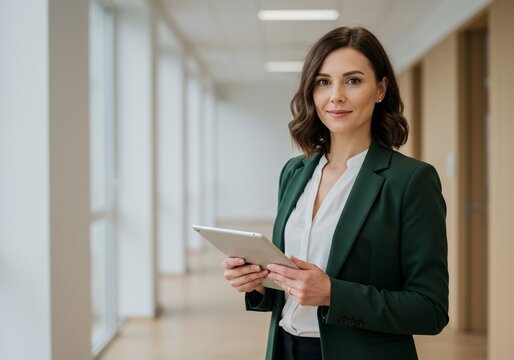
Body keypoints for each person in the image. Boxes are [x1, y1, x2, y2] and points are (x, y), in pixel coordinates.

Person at [222, 26, 449, 360]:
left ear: (381, 88)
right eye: (323, 82)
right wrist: (256, 283)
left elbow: (430, 309)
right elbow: (286, 286)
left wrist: (333, 294)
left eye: (353, 81)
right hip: (285, 347)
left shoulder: (411, 181)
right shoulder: (295, 172)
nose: (336, 96)